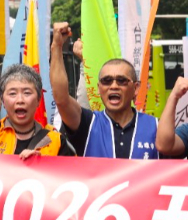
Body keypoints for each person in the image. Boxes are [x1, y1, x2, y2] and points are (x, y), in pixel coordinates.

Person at [0, 17, 72, 157]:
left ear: (38, 100)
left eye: (27, 93)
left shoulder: (56, 141)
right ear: (3, 100)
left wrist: (41, 164)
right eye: (12, 93)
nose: (20, 100)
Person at [50, 22, 159, 159]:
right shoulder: (88, 124)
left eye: (121, 81)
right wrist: (57, 46)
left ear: (136, 88)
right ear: (99, 88)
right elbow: (61, 99)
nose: (114, 86)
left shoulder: (156, 127)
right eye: (107, 81)